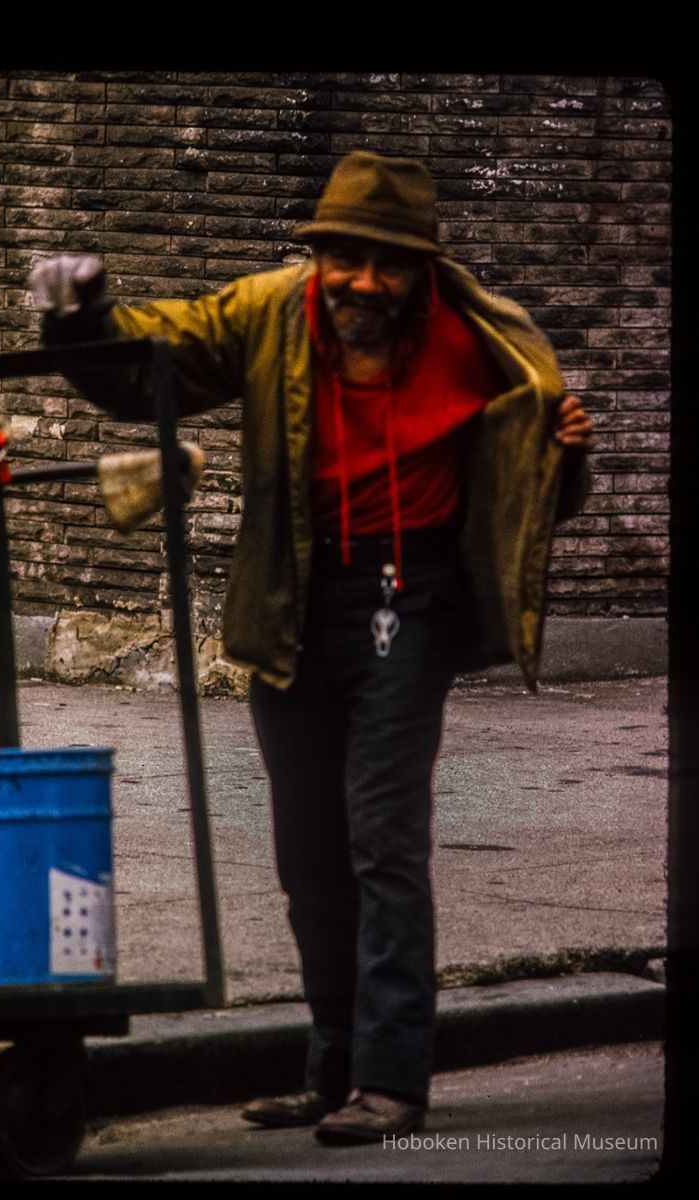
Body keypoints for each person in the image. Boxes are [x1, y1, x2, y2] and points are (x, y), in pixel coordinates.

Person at [30, 151, 593, 1145]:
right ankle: (330, 1070)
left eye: (388, 263)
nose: (363, 282)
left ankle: (393, 1081)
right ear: (318, 255)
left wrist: (570, 458)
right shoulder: (271, 311)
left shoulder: (485, 340)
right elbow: (153, 355)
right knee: (308, 853)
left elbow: (536, 498)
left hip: (407, 599)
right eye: (346, 258)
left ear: (425, 267)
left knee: (384, 844)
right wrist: (83, 314)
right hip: (293, 594)